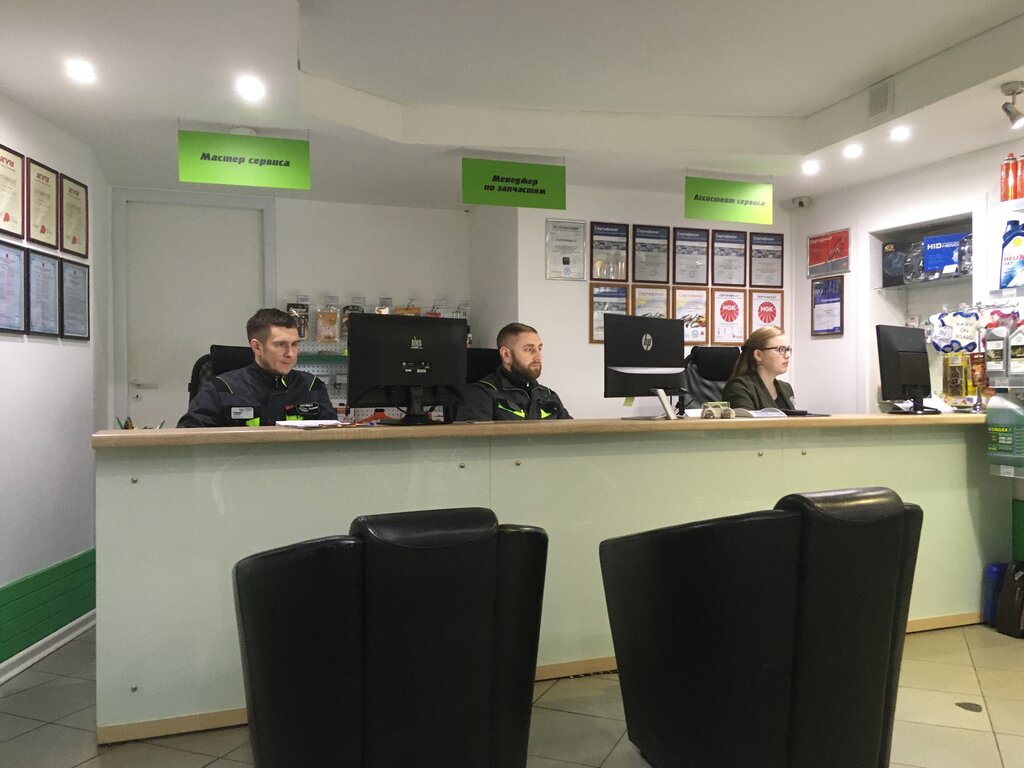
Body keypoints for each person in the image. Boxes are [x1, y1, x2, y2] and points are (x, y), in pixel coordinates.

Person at [178, 308, 337, 427]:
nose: (290, 353)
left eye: (294, 344)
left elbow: (333, 441)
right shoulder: (221, 389)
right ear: (257, 347)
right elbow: (189, 440)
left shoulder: (312, 386)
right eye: (280, 345)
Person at [457, 322, 572, 421]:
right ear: (506, 354)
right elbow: (474, 439)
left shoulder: (548, 396)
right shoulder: (480, 394)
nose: (538, 357)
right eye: (529, 349)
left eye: (539, 349)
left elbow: (573, 434)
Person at [722, 325, 795, 410]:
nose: (787, 355)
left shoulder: (786, 388)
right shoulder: (739, 388)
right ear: (758, 355)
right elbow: (747, 419)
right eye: (781, 349)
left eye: (788, 349)